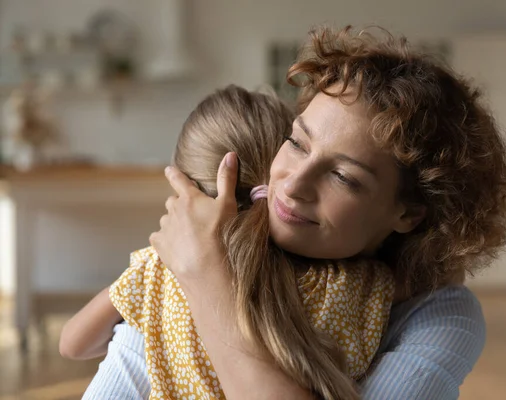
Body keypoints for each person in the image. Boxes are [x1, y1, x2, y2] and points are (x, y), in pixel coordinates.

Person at [81, 25, 506, 399]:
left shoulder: (436, 316)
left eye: (344, 177)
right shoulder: (178, 275)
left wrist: (206, 279)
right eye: (296, 142)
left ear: (409, 214)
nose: (292, 185)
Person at [60, 86, 396, 399]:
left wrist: (131, 279)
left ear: (186, 193)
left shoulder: (160, 270)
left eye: (343, 177)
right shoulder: (364, 285)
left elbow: (73, 345)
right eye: (297, 144)